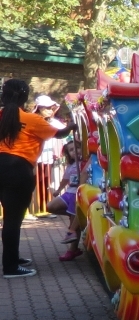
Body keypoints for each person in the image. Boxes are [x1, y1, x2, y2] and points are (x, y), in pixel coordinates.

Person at [0, 80, 73, 277]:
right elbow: (60, 134)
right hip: (18, 169)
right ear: (25, 97)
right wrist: (73, 123)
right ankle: (11, 267)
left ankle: (12, 258)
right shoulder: (32, 120)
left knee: (9, 220)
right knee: (12, 220)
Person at [46, 140, 84, 260]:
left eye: (77, 148)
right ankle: (74, 215)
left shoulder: (85, 163)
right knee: (51, 206)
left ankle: (72, 250)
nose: (75, 152)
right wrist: (58, 190)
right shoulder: (71, 165)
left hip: (77, 195)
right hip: (69, 192)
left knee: (74, 225)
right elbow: (65, 179)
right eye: (71, 150)